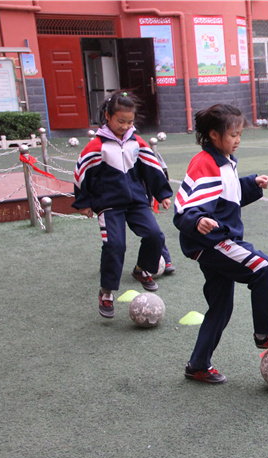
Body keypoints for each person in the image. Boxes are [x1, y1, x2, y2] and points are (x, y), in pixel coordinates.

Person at [174, 104, 268, 384]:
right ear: (213, 135)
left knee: (220, 307)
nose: (238, 139)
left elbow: (226, 193)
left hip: (211, 243)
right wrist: (196, 221)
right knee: (263, 267)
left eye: (240, 133)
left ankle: (198, 364)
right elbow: (184, 206)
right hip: (213, 242)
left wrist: (252, 183)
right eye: (233, 134)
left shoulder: (223, 161)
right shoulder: (205, 163)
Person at [72, 91, 173, 319]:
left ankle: (141, 269)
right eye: (121, 121)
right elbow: (81, 174)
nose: (125, 126)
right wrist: (84, 203)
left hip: (137, 202)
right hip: (109, 205)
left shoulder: (136, 141)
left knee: (155, 235)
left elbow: (152, 168)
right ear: (108, 116)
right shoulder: (96, 146)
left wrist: (163, 193)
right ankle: (106, 292)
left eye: (130, 122)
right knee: (115, 246)